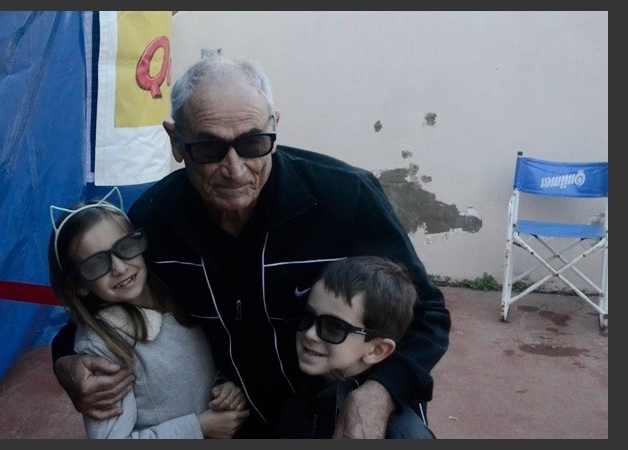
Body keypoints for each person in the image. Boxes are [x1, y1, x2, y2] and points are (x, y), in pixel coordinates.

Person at [51, 55, 451, 438]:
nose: (235, 169)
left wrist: (379, 393)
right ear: (176, 142)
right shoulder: (156, 219)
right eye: (208, 148)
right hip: (239, 422)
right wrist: (66, 362)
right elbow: (100, 305)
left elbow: (427, 313)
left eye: (253, 143)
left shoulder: (346, 198)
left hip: (341, 408)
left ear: (274, 128)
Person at [47, 195, 250, 438]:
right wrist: (199, 427)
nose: (120, 267)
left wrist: (222, 388)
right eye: (96, 264)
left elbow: (192, 374)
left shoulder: (177, 295)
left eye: (125, 246)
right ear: (79, 285)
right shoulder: (102, 348)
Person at [278, 256, 435, 438]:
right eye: (308, 316)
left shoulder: (400, 434)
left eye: (334, 327)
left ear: (377, 350)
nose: (310, 334)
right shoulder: (302, 393)